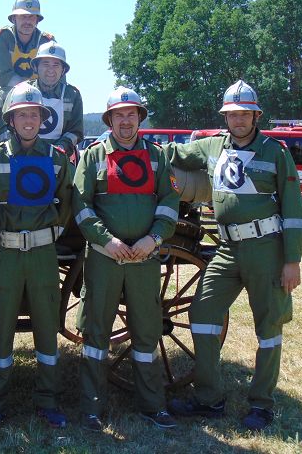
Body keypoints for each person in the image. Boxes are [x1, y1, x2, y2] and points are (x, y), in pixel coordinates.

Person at [166, 80, 302, 431]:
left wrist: (292, 260)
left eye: (244, 114)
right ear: (225, 117)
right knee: (202, 314)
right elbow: (173, 154)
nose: (238, 120)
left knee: (268, 328)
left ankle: (261, 404)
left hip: (266, 250)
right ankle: (209, 398)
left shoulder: (276, 152)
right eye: (232, 114)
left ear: (255, 115)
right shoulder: (212, 146)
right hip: (227, 250)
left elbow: (292, 209)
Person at [72, 86, 180, 432]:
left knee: (147, 332)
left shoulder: (157, 156)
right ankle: (91, 408)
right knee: (96, 332)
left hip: (145, 259)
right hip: (105, 258)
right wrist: (107, 241)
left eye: (131, 114)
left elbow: (169, 203)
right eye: (118, 115)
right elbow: (81, 204)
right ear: (109, 120)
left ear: (139, 118)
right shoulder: (93, 156)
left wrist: (154, 239)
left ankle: (152, 404)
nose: (125, 121)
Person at [0, 82, 73, 430]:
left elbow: (67, 202)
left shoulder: (57, 159)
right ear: (11, 120)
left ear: (42, 119)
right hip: (5, 254)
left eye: (34, 114)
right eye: (22, 115)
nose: (29, 120)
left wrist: (51, 232)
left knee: (48, 327)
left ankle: (48, 400)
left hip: (44, 256)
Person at [0, 0, 55, 100]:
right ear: (14, 18)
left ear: (37, 20)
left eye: (31, 17)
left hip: (44, 94)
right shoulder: (2, 37)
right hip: (11, 92)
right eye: (23, 17)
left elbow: (57, 75)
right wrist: (30, 90)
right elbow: (2, 77)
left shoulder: (47, 42)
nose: (27, 21)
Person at [27, 41, 83, 157]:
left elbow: (76, 132)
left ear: (63, 70)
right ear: (36, 67)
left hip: (61, 157)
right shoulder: (23, 91)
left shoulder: (73, 95)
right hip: (25, 155)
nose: (51, 70)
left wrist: (60, 149)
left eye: (56, 65)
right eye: (46, 64)